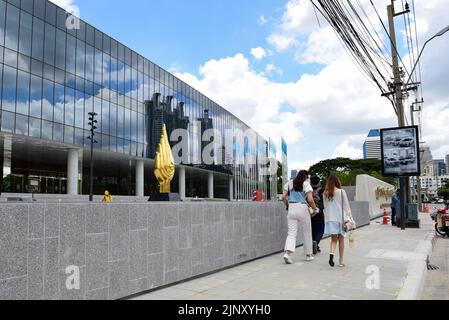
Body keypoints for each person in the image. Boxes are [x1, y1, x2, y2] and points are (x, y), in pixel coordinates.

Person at [282, 170, 319, 264]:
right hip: (302, 208)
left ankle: (287, 254)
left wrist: (287, 204)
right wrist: (315, 209)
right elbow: (310, 200)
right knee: (307, 232)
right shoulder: (306, 184)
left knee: (291, 233)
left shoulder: (289, 183)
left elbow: (283, 196)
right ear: (306, 177)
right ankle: (308, 255)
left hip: (291, 208)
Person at [323, 176, 355, 268]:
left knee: (333, 240)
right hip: (340, 220)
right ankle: (341, 261)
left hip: (330, 219)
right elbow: (346, 207)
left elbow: (326, 208)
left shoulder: (325, 193)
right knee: (341, 240)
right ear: (337, 182)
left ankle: (331, 255)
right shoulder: (341, 192)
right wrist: (351, 219)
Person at [310, 175, 325, 254]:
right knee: (320, 230)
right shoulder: (322, 190)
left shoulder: (309, 190)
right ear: (319, 182)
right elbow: (325, 201)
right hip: (319, 213)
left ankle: (315, 245)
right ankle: (316, 241)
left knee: (313, 230)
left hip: (311, 212)